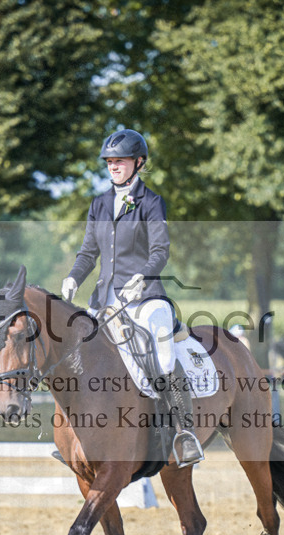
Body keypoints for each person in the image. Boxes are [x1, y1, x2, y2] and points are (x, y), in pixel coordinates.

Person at [61, 128, 204, 467]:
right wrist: (72, 277)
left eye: (120, 161)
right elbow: (87, 253)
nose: (113, 167)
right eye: (109, 162)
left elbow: (160, 250)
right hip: (104, 299)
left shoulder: (151, 202)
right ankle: (76, 435)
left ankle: (184, 434)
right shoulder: (99, 204)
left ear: (138, 163)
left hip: (145, 296)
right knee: (75, 353)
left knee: (164, 350)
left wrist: (142, 276)